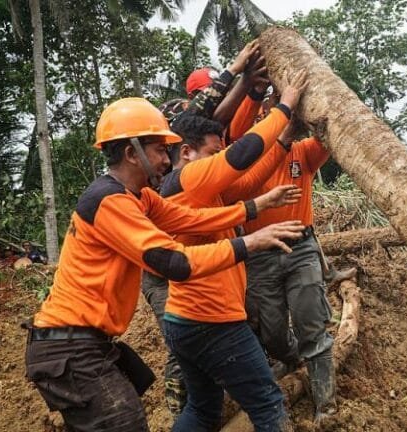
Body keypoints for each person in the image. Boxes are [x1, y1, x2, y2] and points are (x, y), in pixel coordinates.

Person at [23, 97, 305, 432]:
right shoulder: (109, 202)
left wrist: (252, 209)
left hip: (82, 344)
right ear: (132, 153)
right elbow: (176, 262)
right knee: (126, 425)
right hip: (71, 348)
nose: (166, 160)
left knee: (197, 409)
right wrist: (250, 242)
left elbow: (187, 218)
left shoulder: (138, 197)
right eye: (159, 150)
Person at [159, 70, 309, 432]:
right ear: (186, 152)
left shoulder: (198, 190)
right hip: (212, 321)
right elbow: (243, 154)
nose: (219, 159)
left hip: (184, 319)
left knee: (203, 410)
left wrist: (284, 142)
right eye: (213, 153)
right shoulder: (189, 179)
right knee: (269, 404)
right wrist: (285, 106)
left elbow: (249, 180)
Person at [242, 122, 344, 425]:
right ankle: (292, 358)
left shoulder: (304, 152)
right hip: (259, 255)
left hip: (301, 250)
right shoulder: (244, 155)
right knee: (270, 332)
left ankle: (326, 406)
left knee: (311, 325)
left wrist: (307, 112)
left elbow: (329, 131)